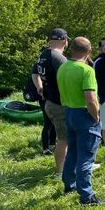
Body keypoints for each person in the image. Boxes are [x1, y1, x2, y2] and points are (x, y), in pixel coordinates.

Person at [57, 37, 105, 205]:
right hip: (84, 115)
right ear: (89, 51)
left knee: (72, 152)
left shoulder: (63, 67)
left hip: (69, 113)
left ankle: (69, 185)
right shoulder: (86, 70)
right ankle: (87, 196)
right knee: (86, 157)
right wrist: (96, 116)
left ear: (71, 49)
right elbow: (90, 99)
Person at [31, 28, 69, 175]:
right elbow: (69, 80)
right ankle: (60, 172)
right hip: (60, 103)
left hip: (49, 101)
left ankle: (68, 166)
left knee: (60, 136)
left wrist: (39, 87)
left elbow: (34, 73)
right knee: (64, 139)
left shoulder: (43, 55)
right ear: (65, 41)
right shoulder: (59, 59)